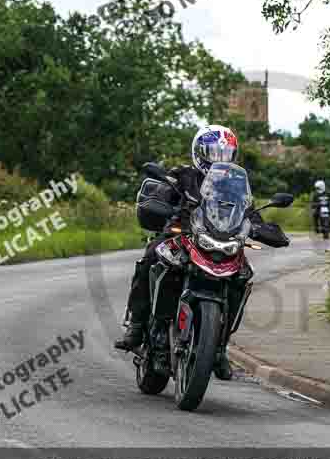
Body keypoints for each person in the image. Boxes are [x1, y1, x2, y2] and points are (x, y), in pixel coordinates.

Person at [114, 124, 290, 380]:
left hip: (221, 240)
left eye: (224, 153)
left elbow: (248, 210)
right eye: (212, 152)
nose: (218, 158)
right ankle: (138, 327)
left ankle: (218, 348)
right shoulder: (183, 176)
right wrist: (162, 206)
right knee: (152, 256)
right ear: (199, 152)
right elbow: (164, 194)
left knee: (242, 276)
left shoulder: (236, 184)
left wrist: (264, 229)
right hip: (183, 234)